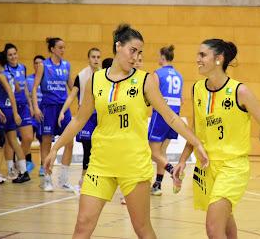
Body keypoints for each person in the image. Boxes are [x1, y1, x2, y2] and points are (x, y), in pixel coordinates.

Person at [43, 24, 208, 239]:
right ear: (118, 46)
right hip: (101, 164)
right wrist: (54, 148)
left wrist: (196, 142)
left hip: (133, 165)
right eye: (133, 50)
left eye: (140, 52)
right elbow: (78, 120)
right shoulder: (96, 80)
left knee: (142, 229)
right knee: (83, 225)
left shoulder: (145, 80)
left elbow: (171, 116)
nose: (136, 56)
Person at [173, 39, 260, 239]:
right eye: (198, 54)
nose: (197, 59)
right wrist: (183, 160)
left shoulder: (240, 91)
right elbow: (195, 131)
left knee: (212, 227)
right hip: (207, 167)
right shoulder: (197, 89)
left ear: (219, 59)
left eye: (202, 55)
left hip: (233, 168)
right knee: (226, 224)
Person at [33, 37, 74, 192]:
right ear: (52, 49)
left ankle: (63, 179)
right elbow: (35, 87)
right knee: (46, 142)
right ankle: (47, 179)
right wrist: (36, 107)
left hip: (63, 108)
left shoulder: (66, 65)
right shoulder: (43, 65)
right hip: (48, 107)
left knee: (69, 141)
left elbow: (72, 87)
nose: (63, 50)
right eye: (60, 47)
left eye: (64, 47)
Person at [57, 48, 101, 188]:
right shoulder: (82, 76)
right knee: (87, 148)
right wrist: (63, 111)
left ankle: (95, 178)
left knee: (99, 148)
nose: (96, 59)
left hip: (101, 116)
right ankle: (83, 180)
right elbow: (72, 95)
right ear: (88, 58)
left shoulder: (104, 75)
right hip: (86, 116)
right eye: (93, 56)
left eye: (98, 57)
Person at [148, 45, 184, 196]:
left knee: (153, 153)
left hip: (161, 114)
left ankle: (173, 171)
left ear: (163, 57)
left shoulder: (158, 74)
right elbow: (181, 100)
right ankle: (157, 185)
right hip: (175, 115)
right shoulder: (179, 75)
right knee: (162, 152)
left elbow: (152, 96)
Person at [0, 52, 30, 183]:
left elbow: (11, 93)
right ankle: (23, 172)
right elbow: (18, 89)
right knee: (13, 141)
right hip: (8, 110)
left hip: (4, 112)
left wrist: (14, 113)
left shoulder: (1, 76)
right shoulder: (11, 75)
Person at [4, 43, 35, 173]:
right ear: (6, 57)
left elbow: (26, 88)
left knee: (28, 137)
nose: (13, 57)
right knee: (10, 140)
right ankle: (10, 168)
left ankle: (19, 162)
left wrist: (31, 104)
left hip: (24, 106)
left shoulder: (23, 67)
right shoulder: (4, 71)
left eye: (14, 54)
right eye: (10, 55)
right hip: (11, 107)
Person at [26, 55, 45, 176]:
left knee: (44, 140)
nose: (38, 65)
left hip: (44, 113)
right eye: (36, 63)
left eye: (40, 63)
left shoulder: (48, 78)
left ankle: (43, 165)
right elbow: (27, 95)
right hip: (31, 113)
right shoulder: (28, 79)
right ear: (33, 65)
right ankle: (28, 161)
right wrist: (32, 108)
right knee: (27, 138)